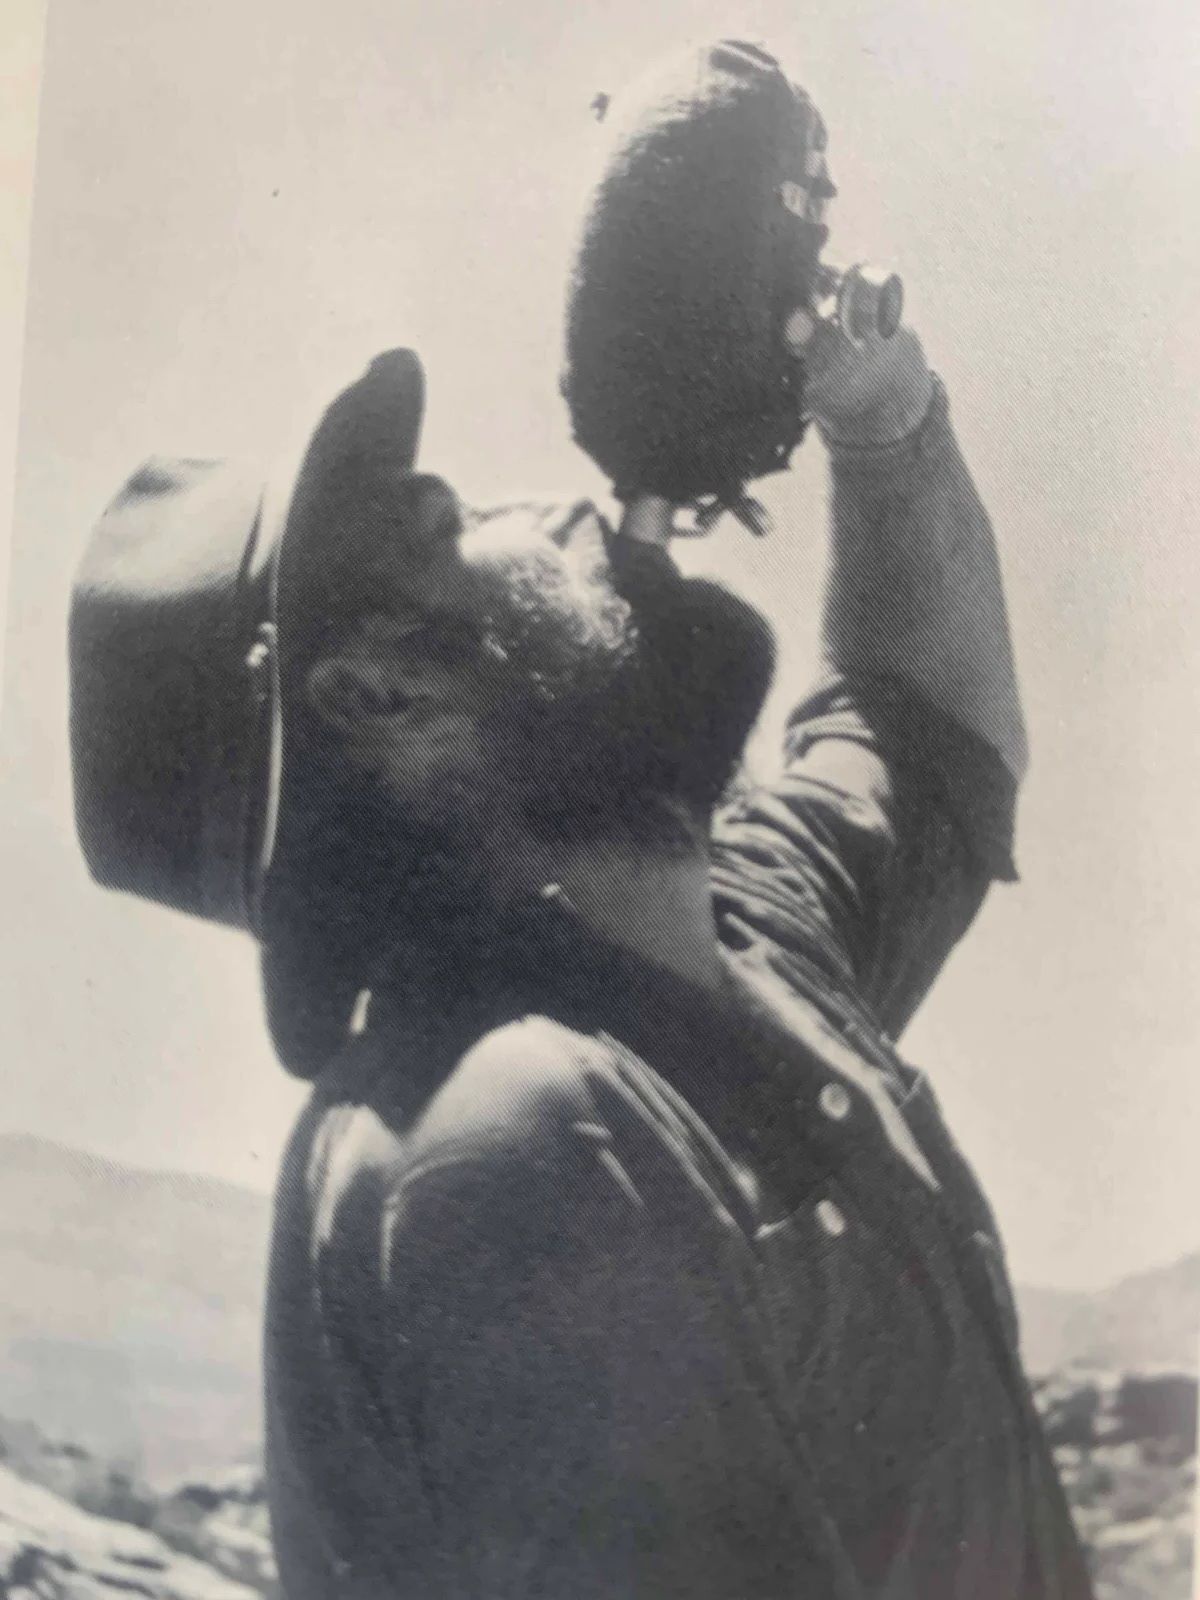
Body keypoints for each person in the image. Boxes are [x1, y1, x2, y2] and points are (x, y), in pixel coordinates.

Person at [68, 126, 1092, 1600]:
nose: (548, 506)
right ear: (377, 696)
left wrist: (878, 412)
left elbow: (924, 726)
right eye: (456, 522)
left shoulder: (734, 940)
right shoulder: (511, 1142)